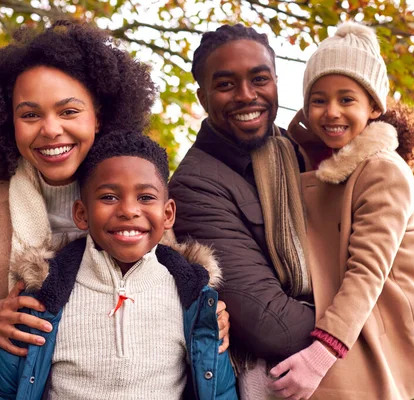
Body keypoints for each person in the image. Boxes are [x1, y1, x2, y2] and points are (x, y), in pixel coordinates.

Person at [0, 20, 229, 396]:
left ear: (99, 116)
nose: (51, 129)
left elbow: (174, 286)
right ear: (8, 123)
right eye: (30, 115)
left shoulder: (141, 197)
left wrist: (208, 318)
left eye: (69, 111)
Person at [0, 132, 238, 399]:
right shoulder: (44, 299)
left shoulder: (193, 300)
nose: (129, 210)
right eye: (109, 197)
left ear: (167, 214)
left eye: (145, 197)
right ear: (82, 214)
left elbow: (219, 390)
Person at [267, 22, 414, 399]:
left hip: (389, 321)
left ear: (373, 107)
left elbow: (367, 272)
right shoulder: (314, 162)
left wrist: (319, 356)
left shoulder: (383, 169)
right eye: (318, 100)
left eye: (347, 99)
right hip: (348, 313)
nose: (331, 111)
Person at [168, 23, 316, 394]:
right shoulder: (195, 185)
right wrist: (359, 317)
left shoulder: (300, 151)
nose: (246, 95)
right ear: (203, 98)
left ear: (277, 82)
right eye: (226, 85)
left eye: (259, 79)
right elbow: (273, 326)